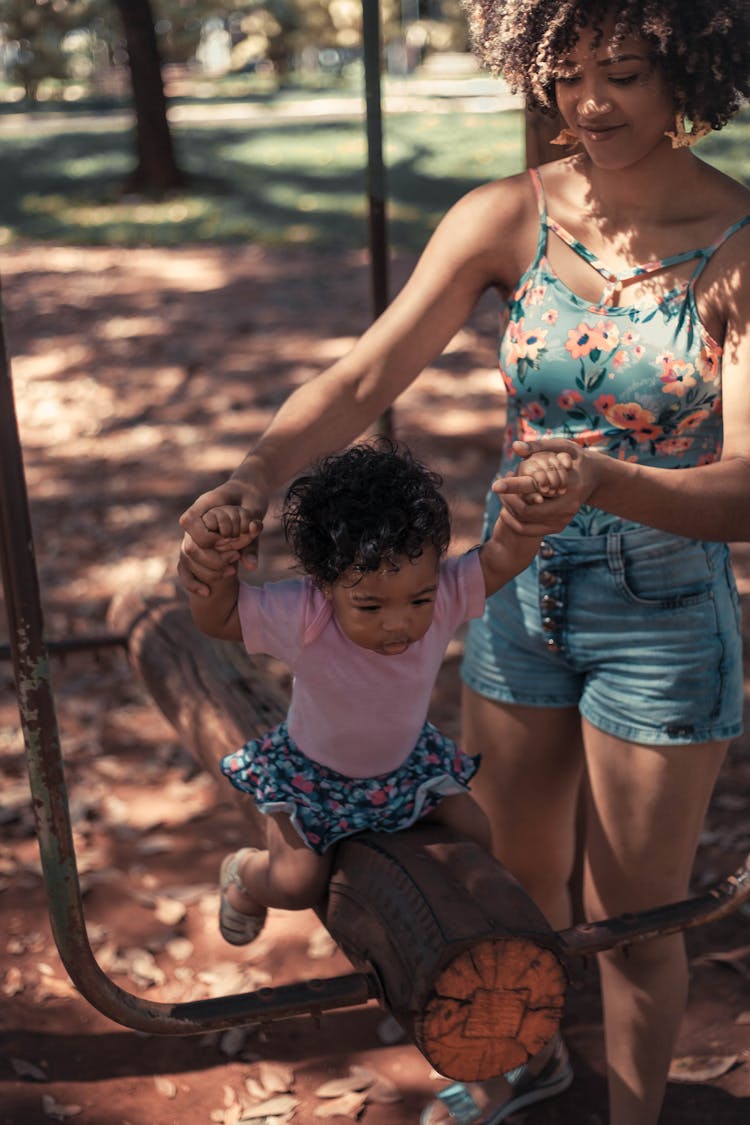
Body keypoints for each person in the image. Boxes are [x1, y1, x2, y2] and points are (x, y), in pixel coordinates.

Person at [178, 2, 750, 1121]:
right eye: (566, 75)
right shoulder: (506, 216)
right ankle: (514, 1079)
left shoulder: (741, 243)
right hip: (515, 599)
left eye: (624, 72)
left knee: (634, 915)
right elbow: (359, 380)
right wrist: (253, 475)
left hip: (665, 615)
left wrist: (605, 481)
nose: (590, 104)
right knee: (511, 888)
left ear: (689, 68)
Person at [188, 439, 570, 947]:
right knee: (296, 883)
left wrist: (527, 515)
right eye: (369, 607)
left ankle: (455, 939)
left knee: (476, 834)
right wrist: (213, 568)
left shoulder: (446, 596)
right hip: (313, 779)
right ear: (325, 586)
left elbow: (503, 556)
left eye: (419, 598)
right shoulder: (305, 615)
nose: (399, 624)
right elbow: (221, 618)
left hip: (406, 767)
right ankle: (243, 875)